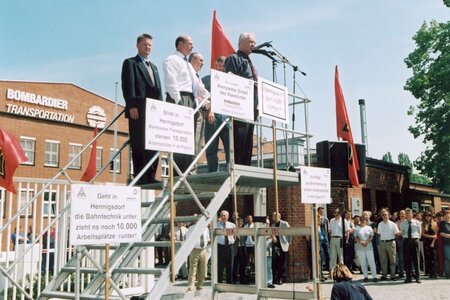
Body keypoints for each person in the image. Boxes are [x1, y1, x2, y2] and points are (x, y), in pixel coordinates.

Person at [163, 35, 210, 173]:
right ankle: (177, 173)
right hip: (179, 98)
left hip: (191, 99)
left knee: (190, 138)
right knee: (179, 136)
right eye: (190, 43)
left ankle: (187, 171)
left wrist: (209, 98)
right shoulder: (171, 60)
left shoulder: (188, 64)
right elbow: (171, 82)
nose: (192, 46)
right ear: (180, 44)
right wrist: (179, 102)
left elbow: (196, 85)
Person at [121, 33, 163, 185]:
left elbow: (158, 91)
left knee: (155, 143)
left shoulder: (155, 67)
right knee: (139, 143)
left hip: (154, 112)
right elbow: (128, 86)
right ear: (138, 45)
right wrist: (131, 105)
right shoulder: (131, 63)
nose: (148, 48)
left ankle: (151, 175)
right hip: (138, 111)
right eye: (145, 44)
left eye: (150, 45)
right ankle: (139, 175)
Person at [224, 32, 258, 166]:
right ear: (240, 43)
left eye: (254, 42)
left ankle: (246, 167)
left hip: (251, 108)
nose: (253, 45)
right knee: (240, 140)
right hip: (240, 108)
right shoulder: (234, 58)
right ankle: (238, 167)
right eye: (250, 42)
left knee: (248, 142)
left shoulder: (250, 62)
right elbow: (232, 82)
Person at [202, 56, 230, 172]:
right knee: (211, 148)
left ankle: (231, 170)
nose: (220, 68)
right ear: (214, 65)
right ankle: (213, 171)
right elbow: (201, 97)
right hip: (212, 117)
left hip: (228, 117)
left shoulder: (231, 81)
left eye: (223, 66)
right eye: (218, 65)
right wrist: (207, 111)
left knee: (230, 148)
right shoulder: (206, 80)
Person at [188, 52, 208, 160]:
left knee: (198, 140)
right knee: (193, 140)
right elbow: (202, 93)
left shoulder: (196, 76)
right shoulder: (188, 72)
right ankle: (190, 168)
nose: (203, 63)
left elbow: (202, 93)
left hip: (199, 110)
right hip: (191, 109)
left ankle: (193, 166)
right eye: (200, 60)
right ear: (192, 60)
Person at [186, 220, 210, 291]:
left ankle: (200, 285)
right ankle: (191, 285)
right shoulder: (191, 228)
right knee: (193, 268)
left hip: (203, 250)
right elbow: (188, 239)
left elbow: (207, 239)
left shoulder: (206, 229)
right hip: (194, 250)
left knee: (203, 269)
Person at [377, 208, 399, 281]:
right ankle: (384, 275)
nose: (384, 216)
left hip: (391, 242)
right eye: (383, 215)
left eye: (385, 214)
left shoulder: (393, 224)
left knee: (392, 260)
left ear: (389, 215)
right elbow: (379, 234)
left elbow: (397, 233)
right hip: (382, 243)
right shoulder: (380, 224)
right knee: (383, 260)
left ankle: (393, 275)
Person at [354, 215, 378, 282]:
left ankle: (374, 276)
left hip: (369, 246)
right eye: (361, 220)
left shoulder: (369, 227)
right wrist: (360, 242)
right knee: (363, 262)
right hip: (360, 247)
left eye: (364, 220)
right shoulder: (357, 228)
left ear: (366, 221)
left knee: (371, 262)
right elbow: (355, 237)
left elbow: (372, 236)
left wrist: (367, 242)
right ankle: (365, 276)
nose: (363, 221)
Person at [401, 208, 422, 283]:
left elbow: (419, 233)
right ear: (405, 215)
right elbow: (402, 233)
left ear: (412, 214)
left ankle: (418, 277)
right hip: (406, 241)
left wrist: (415, 239)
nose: (408, 215)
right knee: (407, 260)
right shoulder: (403, 223)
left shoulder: (417, 222)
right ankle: (408, 277)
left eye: (409, 213)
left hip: (414, 241)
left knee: (416, 259)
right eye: (407, 213)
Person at [271, 212, 291, 285]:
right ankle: (276, 277)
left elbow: (289, 233)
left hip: (283, 245)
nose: (273, 217)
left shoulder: (284, 224)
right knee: (276, 262)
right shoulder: (273, 225)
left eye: (274, 216)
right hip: (276, 246)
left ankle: (281, 278)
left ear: (278, 216)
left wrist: (288, 242)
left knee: (283, 262)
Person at [216, 210, 235, 284]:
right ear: (220, 217)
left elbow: (234, 236)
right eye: (222, 215)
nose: (223, 217)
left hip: (230, 247)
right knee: (220, 266)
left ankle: (229, 283)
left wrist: (231, 241)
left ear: (228, 216)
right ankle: (219, 283)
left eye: (225, 215)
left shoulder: (232, 225)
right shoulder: (216, 225)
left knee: (230, 265)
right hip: (220, 247)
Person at [422, 211, 438, 278]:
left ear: (431, 216)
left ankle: (434, 272)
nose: (427, 217)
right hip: (426, 242)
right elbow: (423, 234)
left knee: (433, 258)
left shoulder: (435, 224)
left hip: (433, 242)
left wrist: (433, 242)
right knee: (427, 257)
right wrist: (431, 237)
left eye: (429, 215)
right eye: (426, 215)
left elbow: (436, 235)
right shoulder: (423, 224)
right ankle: (430, 273)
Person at [232, 217, 247, 284]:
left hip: (243, 248)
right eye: (239, 222)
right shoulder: (234, 230)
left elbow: (245, 238)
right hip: (236, 248)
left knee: (243, 265)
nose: (240, 223)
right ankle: (234, 279)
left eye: (241, 222)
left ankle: (242, 279)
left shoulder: (244, 230)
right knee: (235, 265)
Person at [318, 207, 330, 271]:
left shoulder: (325, 219)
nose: (322, 212)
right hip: (319, 237)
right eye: (320, 211)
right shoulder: (316, 218)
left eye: (322, 211)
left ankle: (328, 269)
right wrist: (319, 219)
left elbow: (328, 229)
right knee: (320, 254)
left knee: (328, 253)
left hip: (325, 236)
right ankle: (320, 270)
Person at [439, 210, 450, 278]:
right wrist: (448, 236)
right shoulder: (442, 223)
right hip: (446, 244)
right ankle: (447, 273)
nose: (447, 216)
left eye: (448, 215)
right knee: (447, 259)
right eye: (445, 215)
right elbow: (441, 233)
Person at [395, 209, 406, 278]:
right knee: (401, 257)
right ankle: (401, 272)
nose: (402, 215)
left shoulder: (408, 222)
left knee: (408, 257)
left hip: (407, 240)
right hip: (400, 241)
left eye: (403, 214)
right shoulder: (396, 223)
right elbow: (395, 232)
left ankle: (410, 272)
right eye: (401, 214)